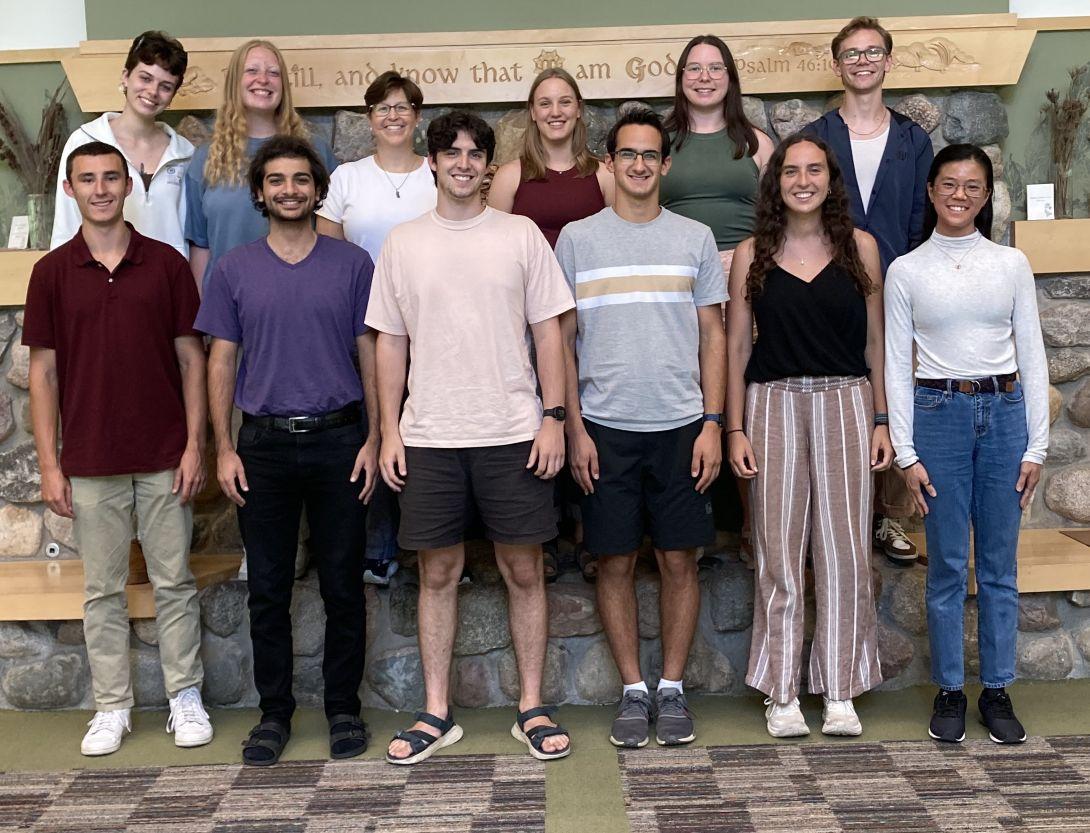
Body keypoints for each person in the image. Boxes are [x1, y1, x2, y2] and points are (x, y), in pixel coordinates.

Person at [367, 111, 574, 765]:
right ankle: (436, 710)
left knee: (523, 570)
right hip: (428, 434)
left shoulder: (519, 236)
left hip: (514, 430)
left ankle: (532, 706)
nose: (461, 162)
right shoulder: (403, 242)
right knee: (438, 573)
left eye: (473, 153)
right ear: (432, 161)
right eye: (450, 151)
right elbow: (389, 340)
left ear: (489, 165)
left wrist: (555, 416)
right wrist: (387, 431)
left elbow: (550, 333)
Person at [196, 136, 378, 765]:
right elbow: (221, 361)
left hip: (341, 443)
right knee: (268, 589)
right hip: (264, 448)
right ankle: (273, 714)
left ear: (317, 190)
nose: (290, 190)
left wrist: (377, 438)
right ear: (260, 192)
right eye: (277, 181)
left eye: (301, 180)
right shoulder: (234, 269)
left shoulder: (353, 265)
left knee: (342, 587)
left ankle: (343, 710)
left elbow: (370, 355)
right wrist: (225, 449)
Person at [25, 141, 211, 756]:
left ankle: (186, 696)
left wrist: (194, 445)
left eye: (111, 177)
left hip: (163, 454)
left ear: (128, 185)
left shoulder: (164, 265)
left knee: (174, 583)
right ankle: (112, 706)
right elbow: (44, 374)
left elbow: (192, 360)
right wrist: (50, 465)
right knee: (102, 590)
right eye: (87, 179)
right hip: (91, 460)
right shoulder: (51, 273)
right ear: (71, 190)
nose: (100, 188)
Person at [558, 109, 726, 749]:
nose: (637, 165)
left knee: (680, 558)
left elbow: (713, 333)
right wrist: (572, 426)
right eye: (626, 154)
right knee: (615, 561)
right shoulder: (576, 239)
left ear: (665, 164)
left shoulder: (695, 238)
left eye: (649, 155)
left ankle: (674, 690)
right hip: (603, 428)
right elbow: (562, 340)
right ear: (609, 162)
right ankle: (634, 691)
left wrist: (713, 422)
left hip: (683, 425)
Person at [726, 133, 891, 739]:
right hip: (771, 405)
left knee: (844, 550)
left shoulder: (862, 249)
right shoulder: (752, 253)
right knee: (778, 550)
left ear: (830, 178)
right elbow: (739, 346)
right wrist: (735, 427)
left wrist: (882, 419)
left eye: (813, 169)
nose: (802, 180)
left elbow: (875, 343)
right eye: (791, 170)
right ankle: (782, 689)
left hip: (847, 402)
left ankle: (841, 688)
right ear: (776, 182)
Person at [884, 143, 1048, 745]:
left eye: (972, 186)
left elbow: (1031, 352)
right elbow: (896, 368)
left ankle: (997, 690)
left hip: (1004, 416)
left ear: (986, 197)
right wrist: (906, 451)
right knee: (948, 564)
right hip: (938, 415)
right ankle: (951, 690)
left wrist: (1037, 447)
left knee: (1000, 566)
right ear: (931, 192)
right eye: (949, 184)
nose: (959, 195)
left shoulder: (1010, 264)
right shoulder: (906, 270)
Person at [805, 16, 934, 567]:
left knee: (896, 394)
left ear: (888, 60)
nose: (862, 60)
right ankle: (838, 516)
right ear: (837, 64)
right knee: (843, 397)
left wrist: (905, 276)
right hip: (827, 288)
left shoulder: (912, 139)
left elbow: (924, 219)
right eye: (851, 53)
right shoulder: (816, 137)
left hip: (898, 285)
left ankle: (888, 516)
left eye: (872, 51)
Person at [488, 67, 614, 581]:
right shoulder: (512, 176)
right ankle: (539, 534)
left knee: (586, 412)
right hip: (527, 320)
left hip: (590, 316)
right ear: (532, 112)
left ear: (579, 109)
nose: (556, 111)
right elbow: (489, 246)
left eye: (565, 101)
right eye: (545, 103)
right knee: (536, 416)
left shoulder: (602, 174)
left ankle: (586, 532)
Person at [316, 71, 436, 587]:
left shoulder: (439, 172)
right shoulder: (347, 178)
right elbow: (329, 255)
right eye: (382, 107)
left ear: (417, 116)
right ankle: (380, 547)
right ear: (369, 119)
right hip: (364, 328)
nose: (393, 115)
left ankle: (436, 550)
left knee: (431, 440)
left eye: (402, 106)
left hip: (433, 327)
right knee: (378, 430)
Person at [659, 35, 775, 567]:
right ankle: (690, 526)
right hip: (680, 287)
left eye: (715, 68)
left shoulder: (755, 143)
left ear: (730, 77)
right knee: (692, 400)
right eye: (693, 68)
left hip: (747, 281)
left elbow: (778, 222)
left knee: (748, 402)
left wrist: (751, 268)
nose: (704, 77)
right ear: (681, 77)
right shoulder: (661, 141)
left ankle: (755, 524)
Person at [185, 38, 337, 293]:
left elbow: (332, 236)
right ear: (235, 82)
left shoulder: (316, 152)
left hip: (301, 296)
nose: (263, 79)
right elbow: (201, 246)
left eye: (273, 73)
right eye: (252, 70)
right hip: (229, 303)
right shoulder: (206, 158)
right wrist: (203, 316)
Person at [51, 31, 193, 255]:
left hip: (169, 280)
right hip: (100, 279)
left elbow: (193, 235)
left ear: (173, 93)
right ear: (126, 76)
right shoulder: (83, 141)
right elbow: (65, 226)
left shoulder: (186, 153)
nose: (153, 92)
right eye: (145, 78)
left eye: (165, 86)